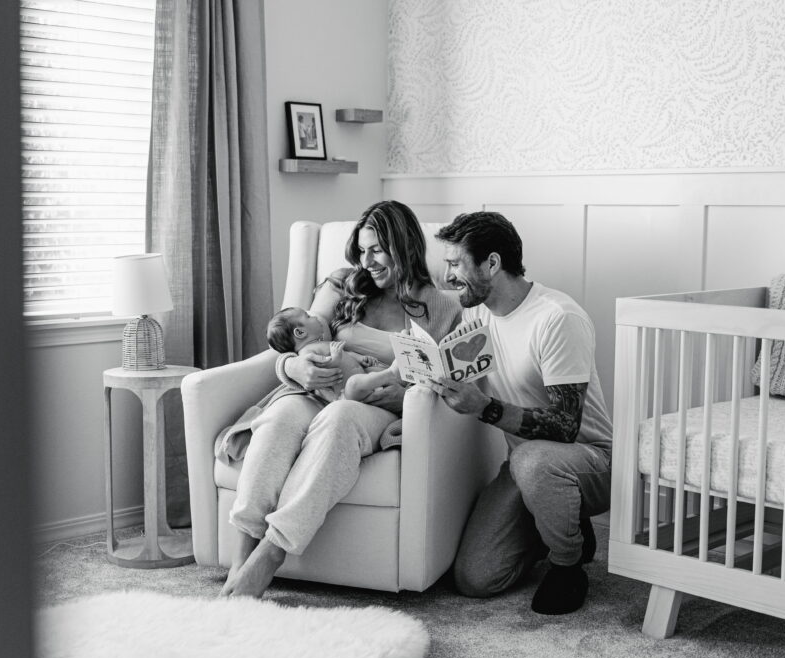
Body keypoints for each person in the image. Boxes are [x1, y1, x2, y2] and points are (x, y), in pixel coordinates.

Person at [218, 200, 462, 598]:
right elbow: (291, 344)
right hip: (313, 392)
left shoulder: (439, 307)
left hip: (374, 408)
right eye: (362, 251)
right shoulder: (342, 285)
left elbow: (439, 380)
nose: (368, 262)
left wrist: (404, 396)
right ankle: (240, 559)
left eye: (378, 250)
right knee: (278, 419)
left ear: (405, 246)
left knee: (341, 418)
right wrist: (294, 369)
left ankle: (272, 554)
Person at [429, 211, 613, 615]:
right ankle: (558, 523)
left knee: (532, 459)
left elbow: (566, 427)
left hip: (592, 462)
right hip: (528, 467)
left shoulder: (557, 318)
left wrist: (487, 408)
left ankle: (569, 566)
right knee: (476, 578)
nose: (448, 277)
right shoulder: (477, 314)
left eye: (456, 264)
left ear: (491, 263)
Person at [264, 306, 399, 402]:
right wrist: (334, 358)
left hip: (363, 377)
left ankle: (399, 379)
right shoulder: (307, 353)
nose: (315, 317)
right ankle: (392, 373)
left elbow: (347, 354)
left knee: (374, 371)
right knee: (354, 383)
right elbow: (324, 368)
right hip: (345, 394)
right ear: (300, 332)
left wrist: (360, 358)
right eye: (308, 316)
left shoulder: (322, 344)